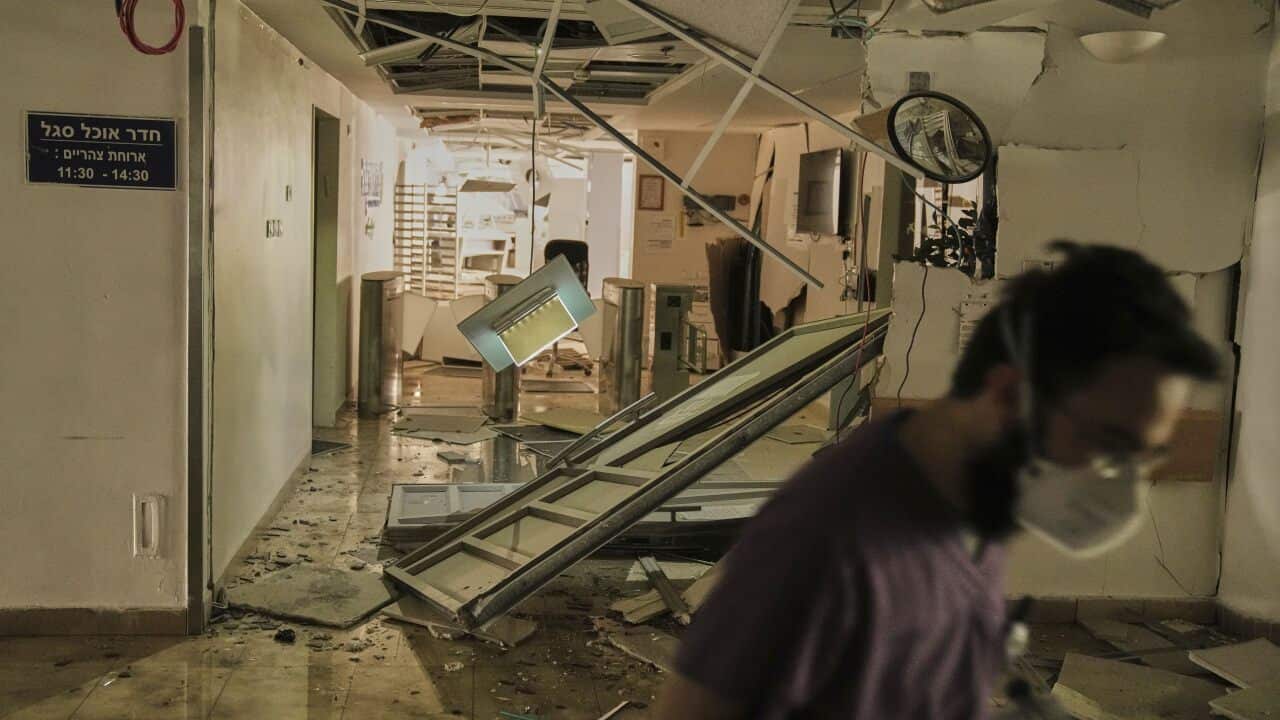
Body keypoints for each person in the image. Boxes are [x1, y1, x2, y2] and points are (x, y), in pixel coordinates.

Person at [655, 241, 1221, 719]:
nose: (1123, 487)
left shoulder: (974, 509)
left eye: (1141, 457)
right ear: (1009, 395)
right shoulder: (830, 541)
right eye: (1109, 444)